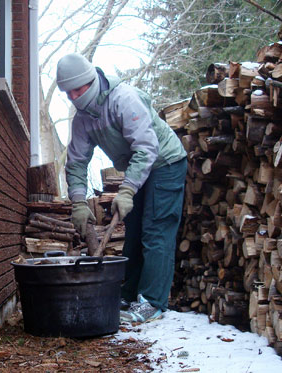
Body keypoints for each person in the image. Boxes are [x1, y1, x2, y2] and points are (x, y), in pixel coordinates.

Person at [56, 53, 187, 323]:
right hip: (140, 169)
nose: (73, 97)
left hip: (166, 162)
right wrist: (79, 203)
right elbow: (77, 163)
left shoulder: (123, 99)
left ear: (90, 81)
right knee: (135, 231)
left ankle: (152, 303)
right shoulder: (83, 119)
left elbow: (147, 147)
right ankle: (128, 294)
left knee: (156, 231)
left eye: (77, 90)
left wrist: (126, 190)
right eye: (67, 93)